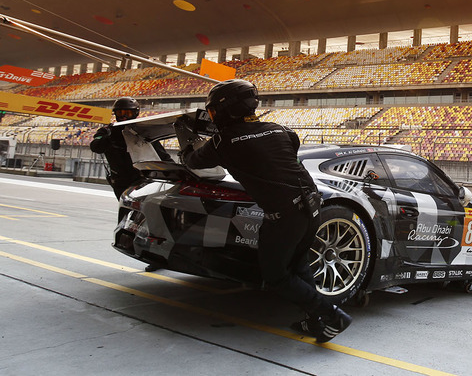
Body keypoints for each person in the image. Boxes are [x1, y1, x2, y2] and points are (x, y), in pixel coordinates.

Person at [180, 79, 351, 343]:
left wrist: (188, 141)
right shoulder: (281, 129)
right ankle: (316, 322)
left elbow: (192, 161)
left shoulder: (223, 141)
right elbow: (280, 154)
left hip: (284, 215)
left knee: (276, 277)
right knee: (300, 266)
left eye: (214, 111)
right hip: (314, 205)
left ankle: (332, 315)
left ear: (225, 109)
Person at [90, 96, 171, 199]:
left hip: (143, 180)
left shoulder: (143, 132)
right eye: (120, 113)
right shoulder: (107, 131)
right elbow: (95, 146)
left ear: (135, 114)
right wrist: (110, 138)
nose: (124, 117)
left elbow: (162, 155)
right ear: (115, 114)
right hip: (121, 182)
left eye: (128, 113)